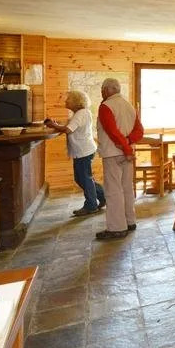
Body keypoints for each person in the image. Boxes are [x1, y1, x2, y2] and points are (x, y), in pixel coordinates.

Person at [96, 78, 144, 240]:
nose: (101, 92)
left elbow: (112, 132)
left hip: (113, 153)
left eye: (102, 89)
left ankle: (117, 228)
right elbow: (139, 131)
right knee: (127, 187)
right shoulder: (129, 105)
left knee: (113, 190)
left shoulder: (106, 106)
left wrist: (125, 147)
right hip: (126, 153)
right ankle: (130, 221)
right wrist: (128, 143)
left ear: (108, 90)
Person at [45, 90, 106, 217]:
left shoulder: (80, 114)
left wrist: (53, 125)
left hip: (83, 151)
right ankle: (103, 197)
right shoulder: (82, 113)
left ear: (75, 101)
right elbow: (71, 127)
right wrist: (56, 125)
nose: (66, 101)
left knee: (84, 179)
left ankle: (91, 206)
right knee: (84, 178)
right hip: (84, 150)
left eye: (68, 99)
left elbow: (68, 130)